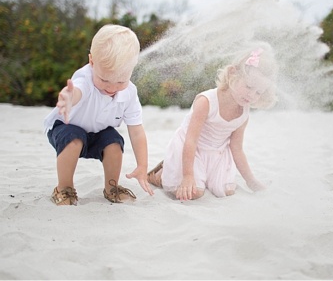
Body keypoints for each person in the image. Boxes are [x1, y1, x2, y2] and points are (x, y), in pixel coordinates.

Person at [147, 42, 276, 201]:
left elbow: (236, 148)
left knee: (227, 190)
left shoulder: (244, 113)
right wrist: (188, 176)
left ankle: (200, 174)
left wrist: (251, 181)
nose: (251, 95)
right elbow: (191, 139)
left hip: (217, 154)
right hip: (191, 149)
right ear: (233, 74)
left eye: (258, 92)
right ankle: (161, 174)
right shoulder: (206, 101)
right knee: (195, 192)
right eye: (249, 86)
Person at [43, 24, 152, 206]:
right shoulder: (85, 78)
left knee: (114, 142)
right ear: (92, 62)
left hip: (97, 133)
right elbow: (77, 91)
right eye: (104, 80)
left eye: (120, 81)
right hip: (65, 128)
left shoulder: (130, 93)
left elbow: (137, 131)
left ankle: (112, 188)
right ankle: (64, 188)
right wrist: (69, 98)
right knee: (73, 138)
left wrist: (142, 166)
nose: (111, 88)